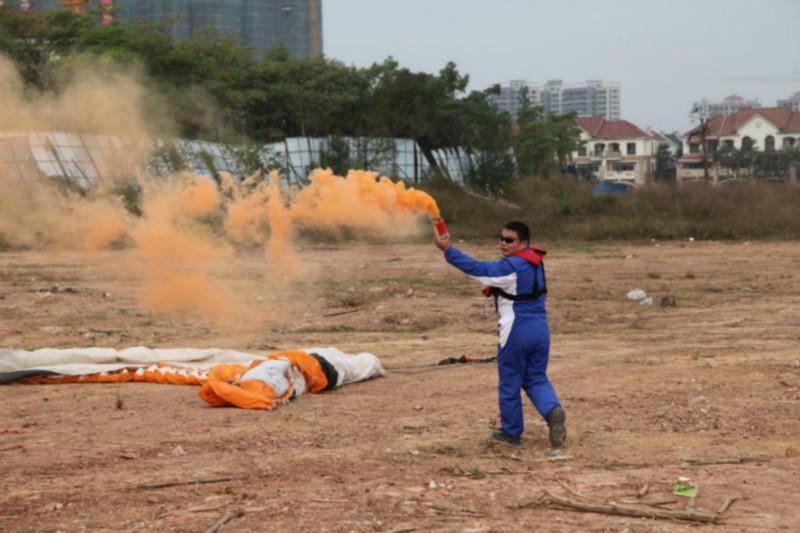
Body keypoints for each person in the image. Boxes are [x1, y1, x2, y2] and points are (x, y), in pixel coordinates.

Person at [433, 220, 566, 447]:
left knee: (510, 382)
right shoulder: (535, 262)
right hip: (540, 329)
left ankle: (511, 433)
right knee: (536, 377)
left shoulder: (512, 267)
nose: (502, 243)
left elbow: (479, 270)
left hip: (516, 330)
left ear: (523, 242)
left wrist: (449, 250)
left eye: (509, 240)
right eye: (501, 238)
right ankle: (552, 410)